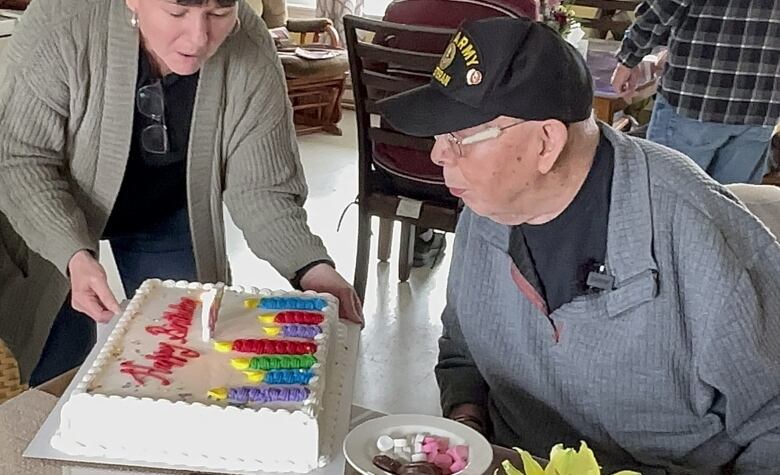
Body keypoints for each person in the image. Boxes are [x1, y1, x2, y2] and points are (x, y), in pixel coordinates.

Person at [378, 16, 780, 473]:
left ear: (546, 143)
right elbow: (462, 347)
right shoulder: (489, 209)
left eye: (458, 138)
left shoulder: (704, 238)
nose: (437, 154)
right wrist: (466, 427)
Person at [0, 0, 363, 387]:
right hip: (55, 207)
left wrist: (311, 267)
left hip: (167, 209)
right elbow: (20, 156)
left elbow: (262, 187)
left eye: (220, 14)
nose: (199, 36)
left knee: (192, 357)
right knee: (57, 366)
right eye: (177, 13)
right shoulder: (62, 21)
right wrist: (72, 254)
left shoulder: (249, 47)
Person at [371, 0, 537, 267]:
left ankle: (421, 235)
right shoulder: (515, 12)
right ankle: (497, 264)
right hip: (477, 180)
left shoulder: (400, 10)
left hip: (396, 166)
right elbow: (527, 98)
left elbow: (374, 85)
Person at [611, 0, 780, 185]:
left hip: (697, 99)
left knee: (665, 199)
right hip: (761, 105)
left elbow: (663, 8)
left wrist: (629, 57)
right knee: (731, 205)